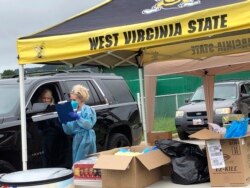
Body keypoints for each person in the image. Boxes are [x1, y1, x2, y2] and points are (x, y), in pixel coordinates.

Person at [62, 84, 97, 163]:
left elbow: (88, 125)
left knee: (86, 162)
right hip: (77, 139)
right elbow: (69, 130)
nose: (72, 102)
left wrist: (78, 117)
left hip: (87, 138)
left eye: (74, 100)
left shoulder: (88, 110)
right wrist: (65, 122)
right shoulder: (73, 111)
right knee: (77, 161)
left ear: (81, 98)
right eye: (72, 100)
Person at [37, 88, 66, 167]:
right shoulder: (37, 109)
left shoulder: (57, 108)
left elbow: (62, 125)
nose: (46, 100)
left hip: (57, 136)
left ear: (51, 99)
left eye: (48, 98)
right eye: (44, 98)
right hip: (44, 137)